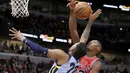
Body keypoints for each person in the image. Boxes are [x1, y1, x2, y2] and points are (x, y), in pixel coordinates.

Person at [9, 28, 87, 73]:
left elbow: (39, 49)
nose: (73, 44)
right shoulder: (78, 62)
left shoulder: (63, 56)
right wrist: (90, 21)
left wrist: (22, 38)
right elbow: (83, 39)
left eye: (75, 44)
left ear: (73, 48)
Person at [67, 1, 102, 73]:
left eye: (94, 42)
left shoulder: (96, 63)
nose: (90, 42)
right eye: (91, 41)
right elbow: (73, 30)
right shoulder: (80, 51)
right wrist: (72, 11)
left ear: (98, 48)